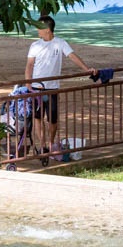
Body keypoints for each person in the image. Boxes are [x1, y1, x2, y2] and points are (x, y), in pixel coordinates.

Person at [25, 14, 97, 154]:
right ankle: (43, 145)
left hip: (52, 88)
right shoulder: (35, 45)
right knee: (38, 117)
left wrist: (87, 69)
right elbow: (29, 65)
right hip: (36, 87)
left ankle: (51, 142)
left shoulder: (60, 43)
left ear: (47, 29)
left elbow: (72, 56)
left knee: (53, 119)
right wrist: (28, 83)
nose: (37, 30)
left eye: (39, 27)